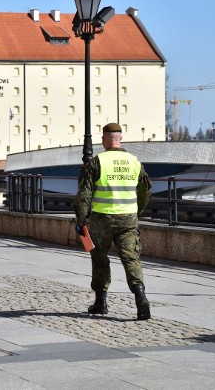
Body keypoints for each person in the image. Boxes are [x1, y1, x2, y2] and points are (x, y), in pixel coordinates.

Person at [74, 123, 153, 320]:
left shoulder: (97, 162)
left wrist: (81, 219)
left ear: (104, 139)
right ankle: (140, 296)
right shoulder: (134, 161)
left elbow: (84, 194)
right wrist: (138, 210)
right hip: (128, 220)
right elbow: (146, 189)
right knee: (131, 258)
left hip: (102, 219)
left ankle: (101, 302)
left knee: (100, 259)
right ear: (120, 138)